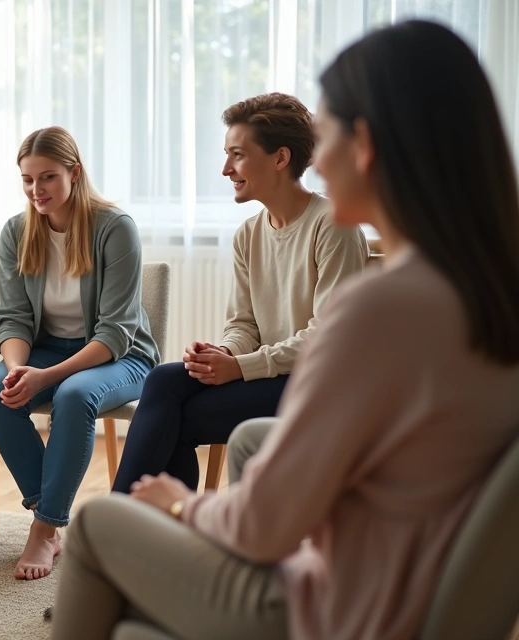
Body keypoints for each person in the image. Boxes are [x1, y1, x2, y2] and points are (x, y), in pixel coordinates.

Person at [50, 20, 519, 640]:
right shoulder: (482, 288)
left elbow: (262, 526)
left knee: (97, 527)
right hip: (409, 586)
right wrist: (225, 354)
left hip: (346, 609)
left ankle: (132, 545)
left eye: (322, 137)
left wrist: (183, 507)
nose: (316, 158)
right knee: (174, 392)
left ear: (367, 147)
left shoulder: (381, 306)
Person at [111, 92, 368, 493]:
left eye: (238, 155)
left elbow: (327, 339)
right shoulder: (249, 233)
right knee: (165, 381)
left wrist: (240, 367)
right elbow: (244, 323)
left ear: (280, 158)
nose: (226, 168)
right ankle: (138, 526)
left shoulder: (333, 225)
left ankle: (127, 527)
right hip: (268, 374)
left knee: (171, 417)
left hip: (320, 385)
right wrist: (224, 354)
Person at [0, 126, 157, 580]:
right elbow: (14, 317)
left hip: (119, 356)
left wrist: (47, 377)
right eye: (27, 179)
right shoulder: (17, 231)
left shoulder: (114, 228)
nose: (36, 190)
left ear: (74, 173)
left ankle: (43, 529)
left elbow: (116, 332)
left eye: (48, 178)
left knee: (74, 397)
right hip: (46, 350)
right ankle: (51, 510)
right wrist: (20, 369)